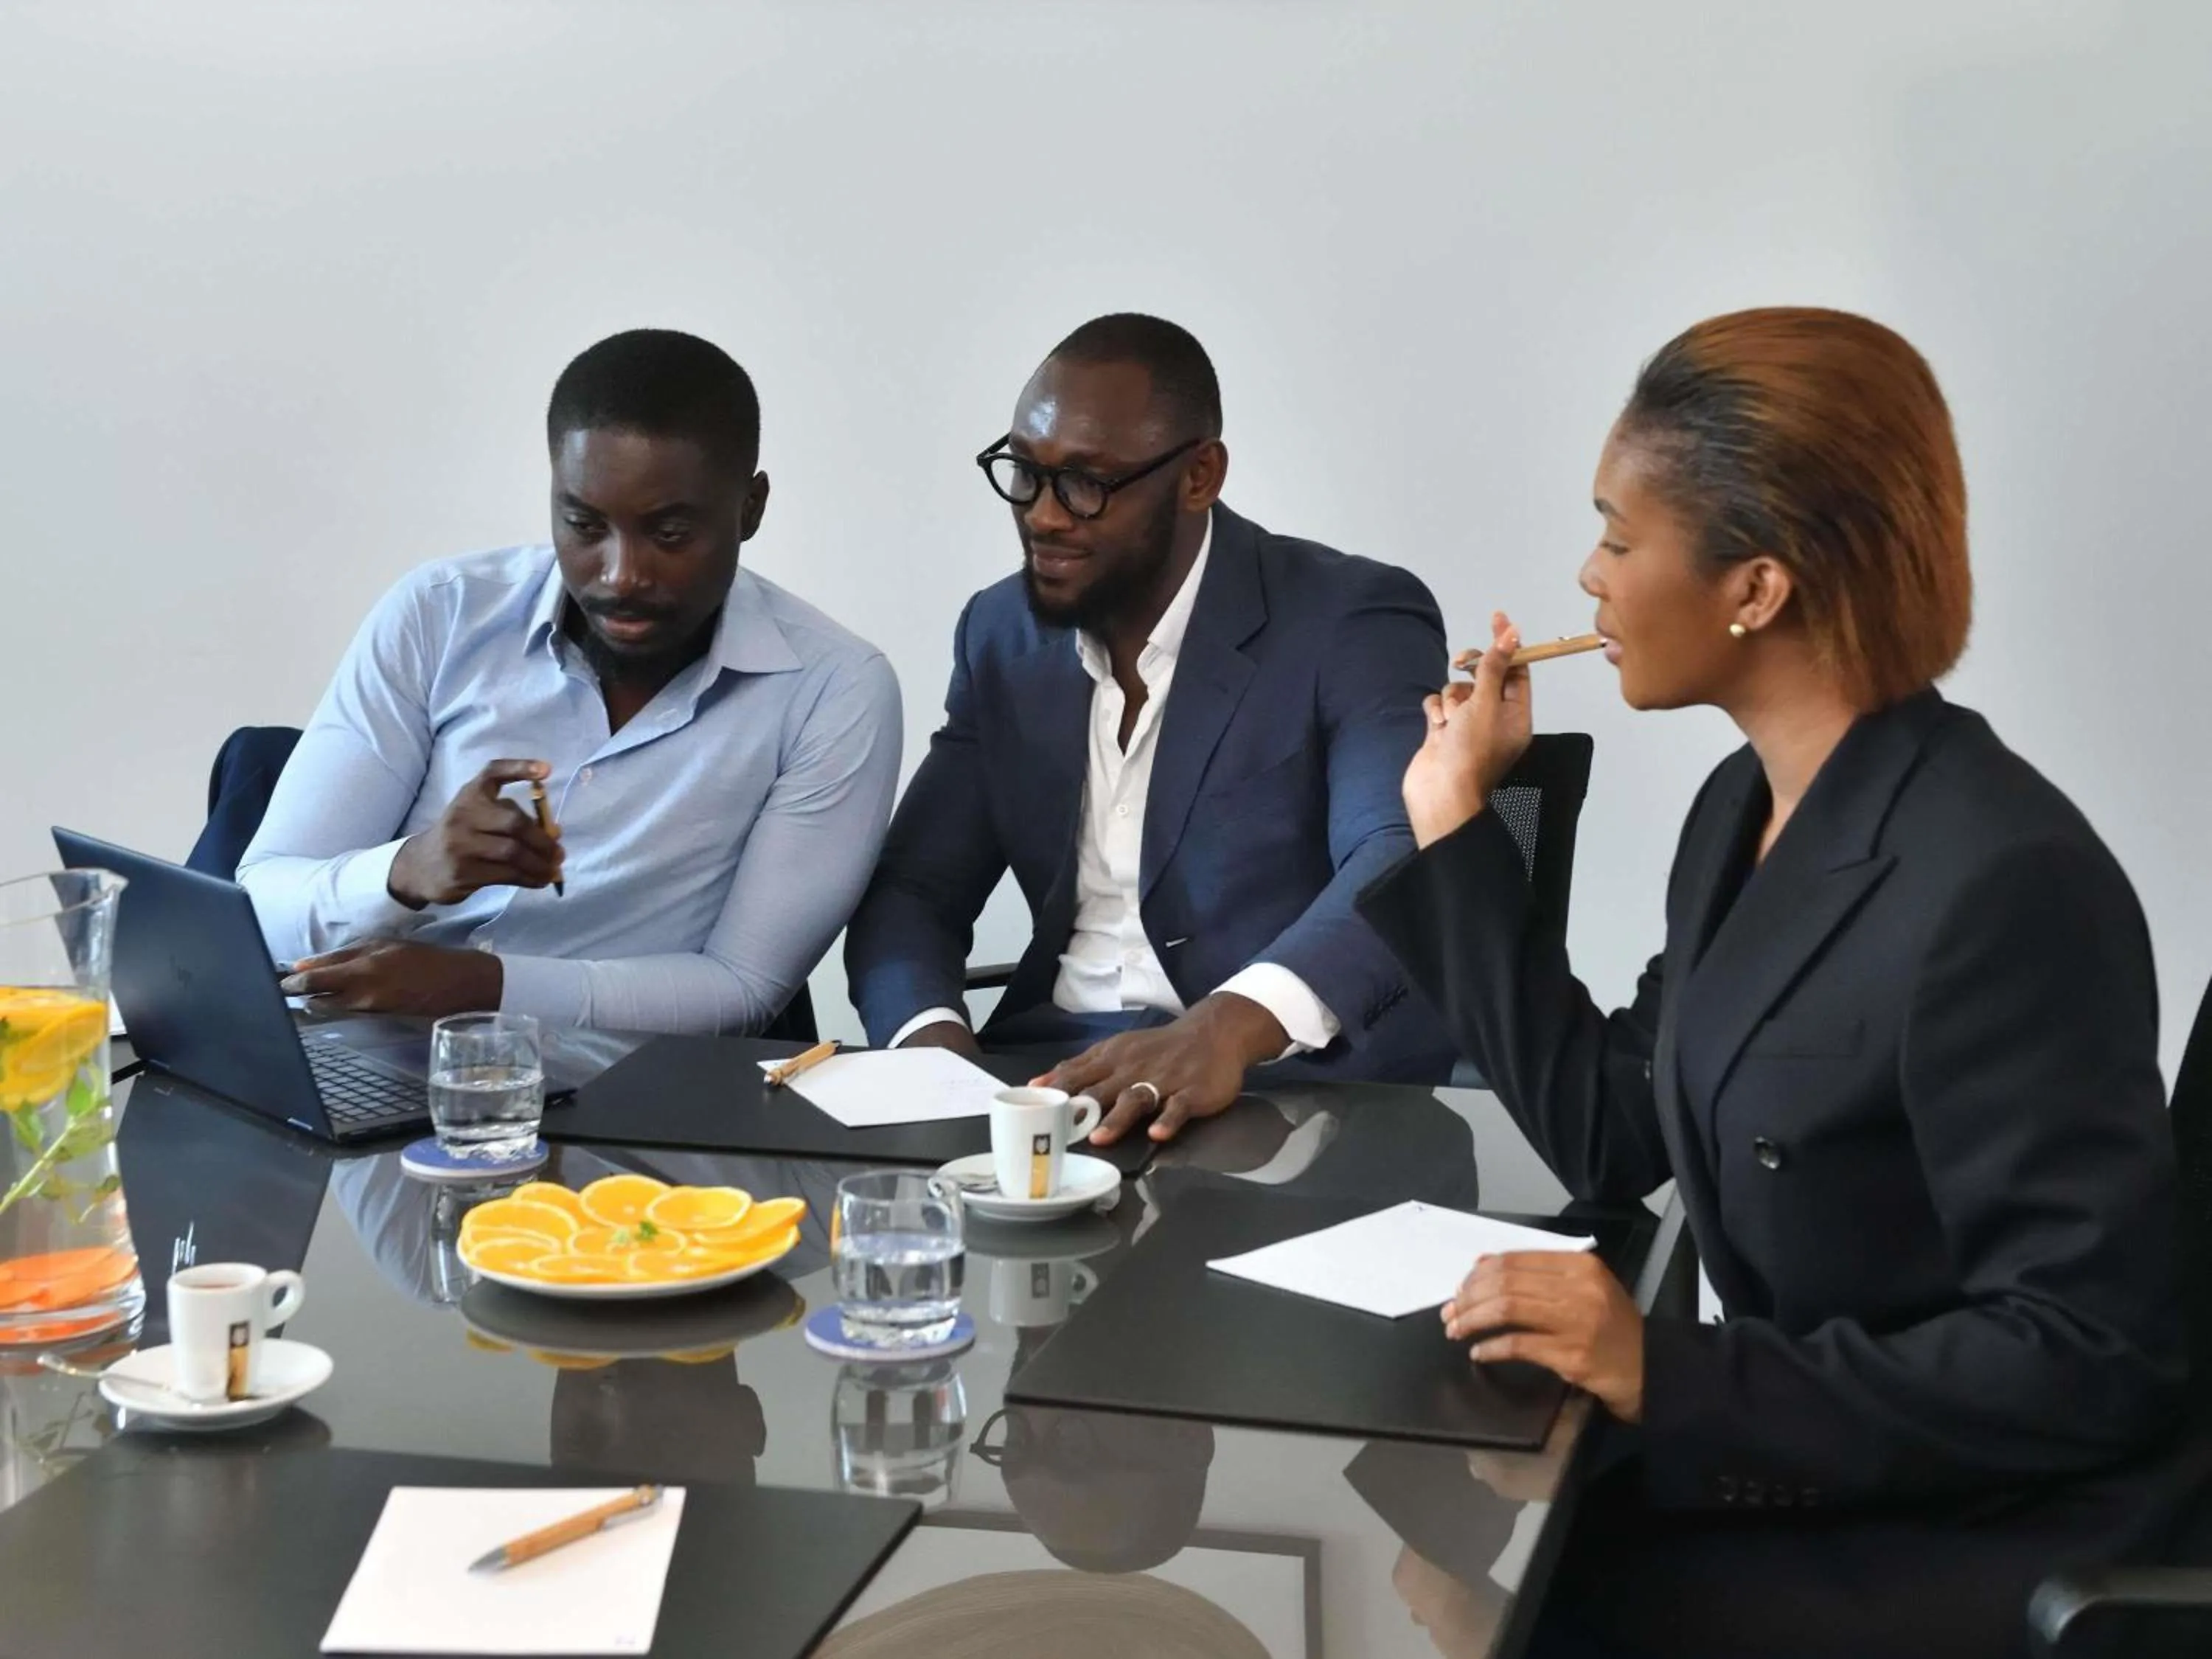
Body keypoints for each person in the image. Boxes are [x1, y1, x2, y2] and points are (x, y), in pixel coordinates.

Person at [1356, 307, 2194, 1658]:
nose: (1589, 574)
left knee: (1503, 1601)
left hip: (1983, 1532)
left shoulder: (2003, 881)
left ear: (1755, 587)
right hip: (1811, 1454)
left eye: (1621, 540)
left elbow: (2090, 1358)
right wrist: (1461, 827)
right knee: (1428, 1517)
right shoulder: (1740, 810)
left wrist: (1665, 1369)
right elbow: (1609, 1128)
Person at [843, 313, 1455, 1144]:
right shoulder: (1004, 637)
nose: (1044, 517)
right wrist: (934, 1054)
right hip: (1049, 1088)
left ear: (1199, 476)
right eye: (1024, 472)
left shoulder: (1347, 620)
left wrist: (1229, 1024)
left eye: (1087, 484)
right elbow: (915, 888)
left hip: (1289, 1094)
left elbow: (1397, 857)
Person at [240, 330, 901, 1032]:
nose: (621, 575)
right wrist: (406, 871)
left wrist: (480, 985)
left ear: (751, 508)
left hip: (617, 1101)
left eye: (669, 534)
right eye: (584, 525)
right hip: (349, 1049)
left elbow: (741, 989)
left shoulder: (833, 691)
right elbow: (258, 906)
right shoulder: (440, 613)